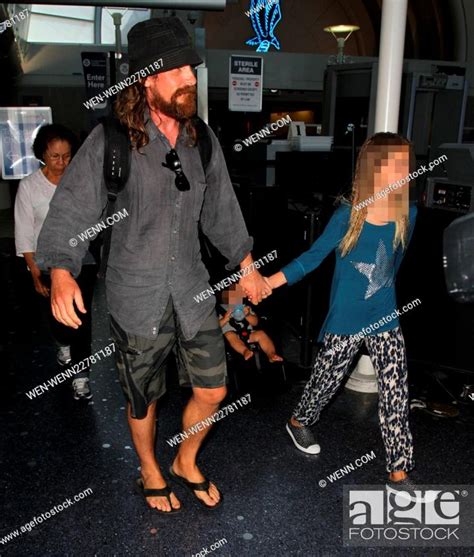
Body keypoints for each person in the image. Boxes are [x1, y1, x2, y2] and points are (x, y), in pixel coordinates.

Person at [35, 17, 271, 514]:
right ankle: (149, 468)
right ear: (147, 77)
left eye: (192, 67)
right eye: (178, 68)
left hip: (191, 288)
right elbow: (71, 209)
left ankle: (185, 461)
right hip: (135, 294)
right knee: (144, 398)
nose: (191, 77)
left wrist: (246, 264)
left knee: (214, 388)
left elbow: (223, 211)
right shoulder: (111, 142)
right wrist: (60, 270)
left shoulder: (201, 140)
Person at [265, 133, 418, 494]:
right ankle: (298, 420)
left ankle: (399, 472)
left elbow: (394, 266)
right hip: (346, 319)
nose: (403, 171)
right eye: (394, 164)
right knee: (325, 383)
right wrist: (268, 282)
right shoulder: (348, 215)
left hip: (385, 318)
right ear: (374, 168)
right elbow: (312, 258)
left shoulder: (408, 214)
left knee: (396, 391)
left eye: (406, 164)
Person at [14, 124, 98, 400]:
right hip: (45, 262)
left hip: (81, 260)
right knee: (57, 320)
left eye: (67, 156)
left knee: (81, 320)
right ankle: (62, 342)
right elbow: (24, 232)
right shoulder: (29, 187)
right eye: (55, 157)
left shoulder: (81, 183)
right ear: (42, 155)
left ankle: (81, 374)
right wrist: (35, 272)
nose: (62, 163)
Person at [218, 284, 283, 362]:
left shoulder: (245, 307)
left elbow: (255, 323)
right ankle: (245, 351)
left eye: (238, 294)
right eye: (232, 294)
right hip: (231, 336)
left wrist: (248, 315)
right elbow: (215, 327)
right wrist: (224, 319)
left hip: (249, 333)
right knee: (230, 335)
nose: (235, 298)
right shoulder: (220, 310)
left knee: (261, 334)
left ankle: (271, 354)